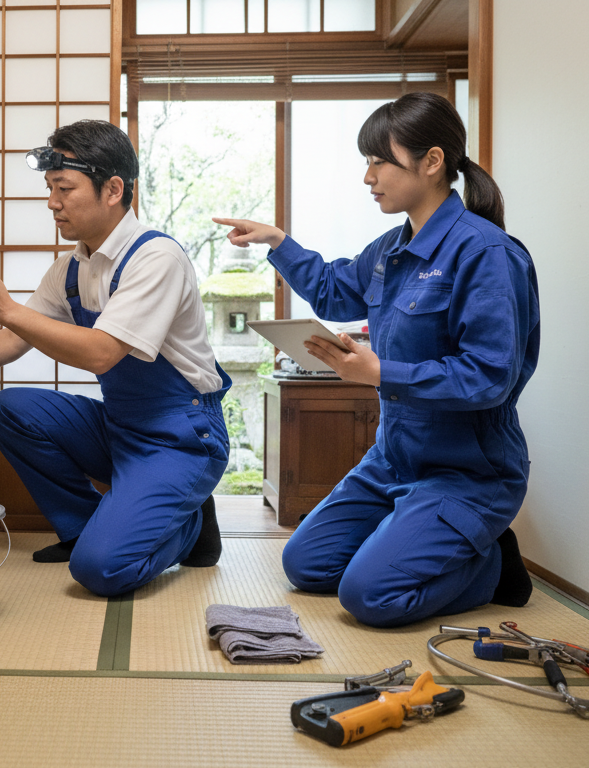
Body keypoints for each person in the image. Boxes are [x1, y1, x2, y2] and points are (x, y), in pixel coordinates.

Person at [214, 92, 539, 628]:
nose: (369, 177)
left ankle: (494, 565)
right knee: (306, 564)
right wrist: (278, 242)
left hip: (468, 472)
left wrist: (380, 372)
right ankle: (414, 533)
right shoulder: (391, 248)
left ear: (432, 162)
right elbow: (335, 290)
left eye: (379, 161)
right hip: (392, 460)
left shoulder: (488, 253)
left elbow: (490, 377)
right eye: (367, 162)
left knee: (369, 597)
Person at [0, 120, 230, 597]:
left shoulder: (156, 258)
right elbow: (10, 339)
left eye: (64, 188)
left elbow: (103, 354)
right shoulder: (71, 268)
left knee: (102, 571)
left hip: (181, 435)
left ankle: (188, 527)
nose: (52, 203)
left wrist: (7, 308)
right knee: (13, 410)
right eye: (49, 188)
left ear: (113, 189)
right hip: (121, 427)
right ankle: (88, 528)